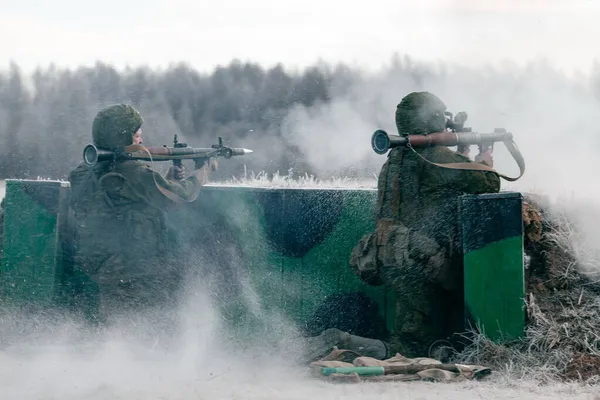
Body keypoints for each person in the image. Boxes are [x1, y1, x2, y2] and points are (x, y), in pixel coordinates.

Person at [349, 91, 501, 359]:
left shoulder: (396, 158)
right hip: (419, 256)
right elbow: (489, 183)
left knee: (419, 328)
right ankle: (340, 343)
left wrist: (462, 154)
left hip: (388, 252)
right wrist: (485, 163)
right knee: (414, 343)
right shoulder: (434, 156)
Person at [66, 104, 217, 336]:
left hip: (100, 266)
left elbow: (129, 201)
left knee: (115, 331)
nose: (141, 137)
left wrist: (167, 178)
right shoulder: (133, 173)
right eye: (136, 134)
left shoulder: (84, 172)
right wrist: (204, 170)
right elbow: (181, 196)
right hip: (134, 271)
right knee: (136, 335)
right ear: (124, 137)